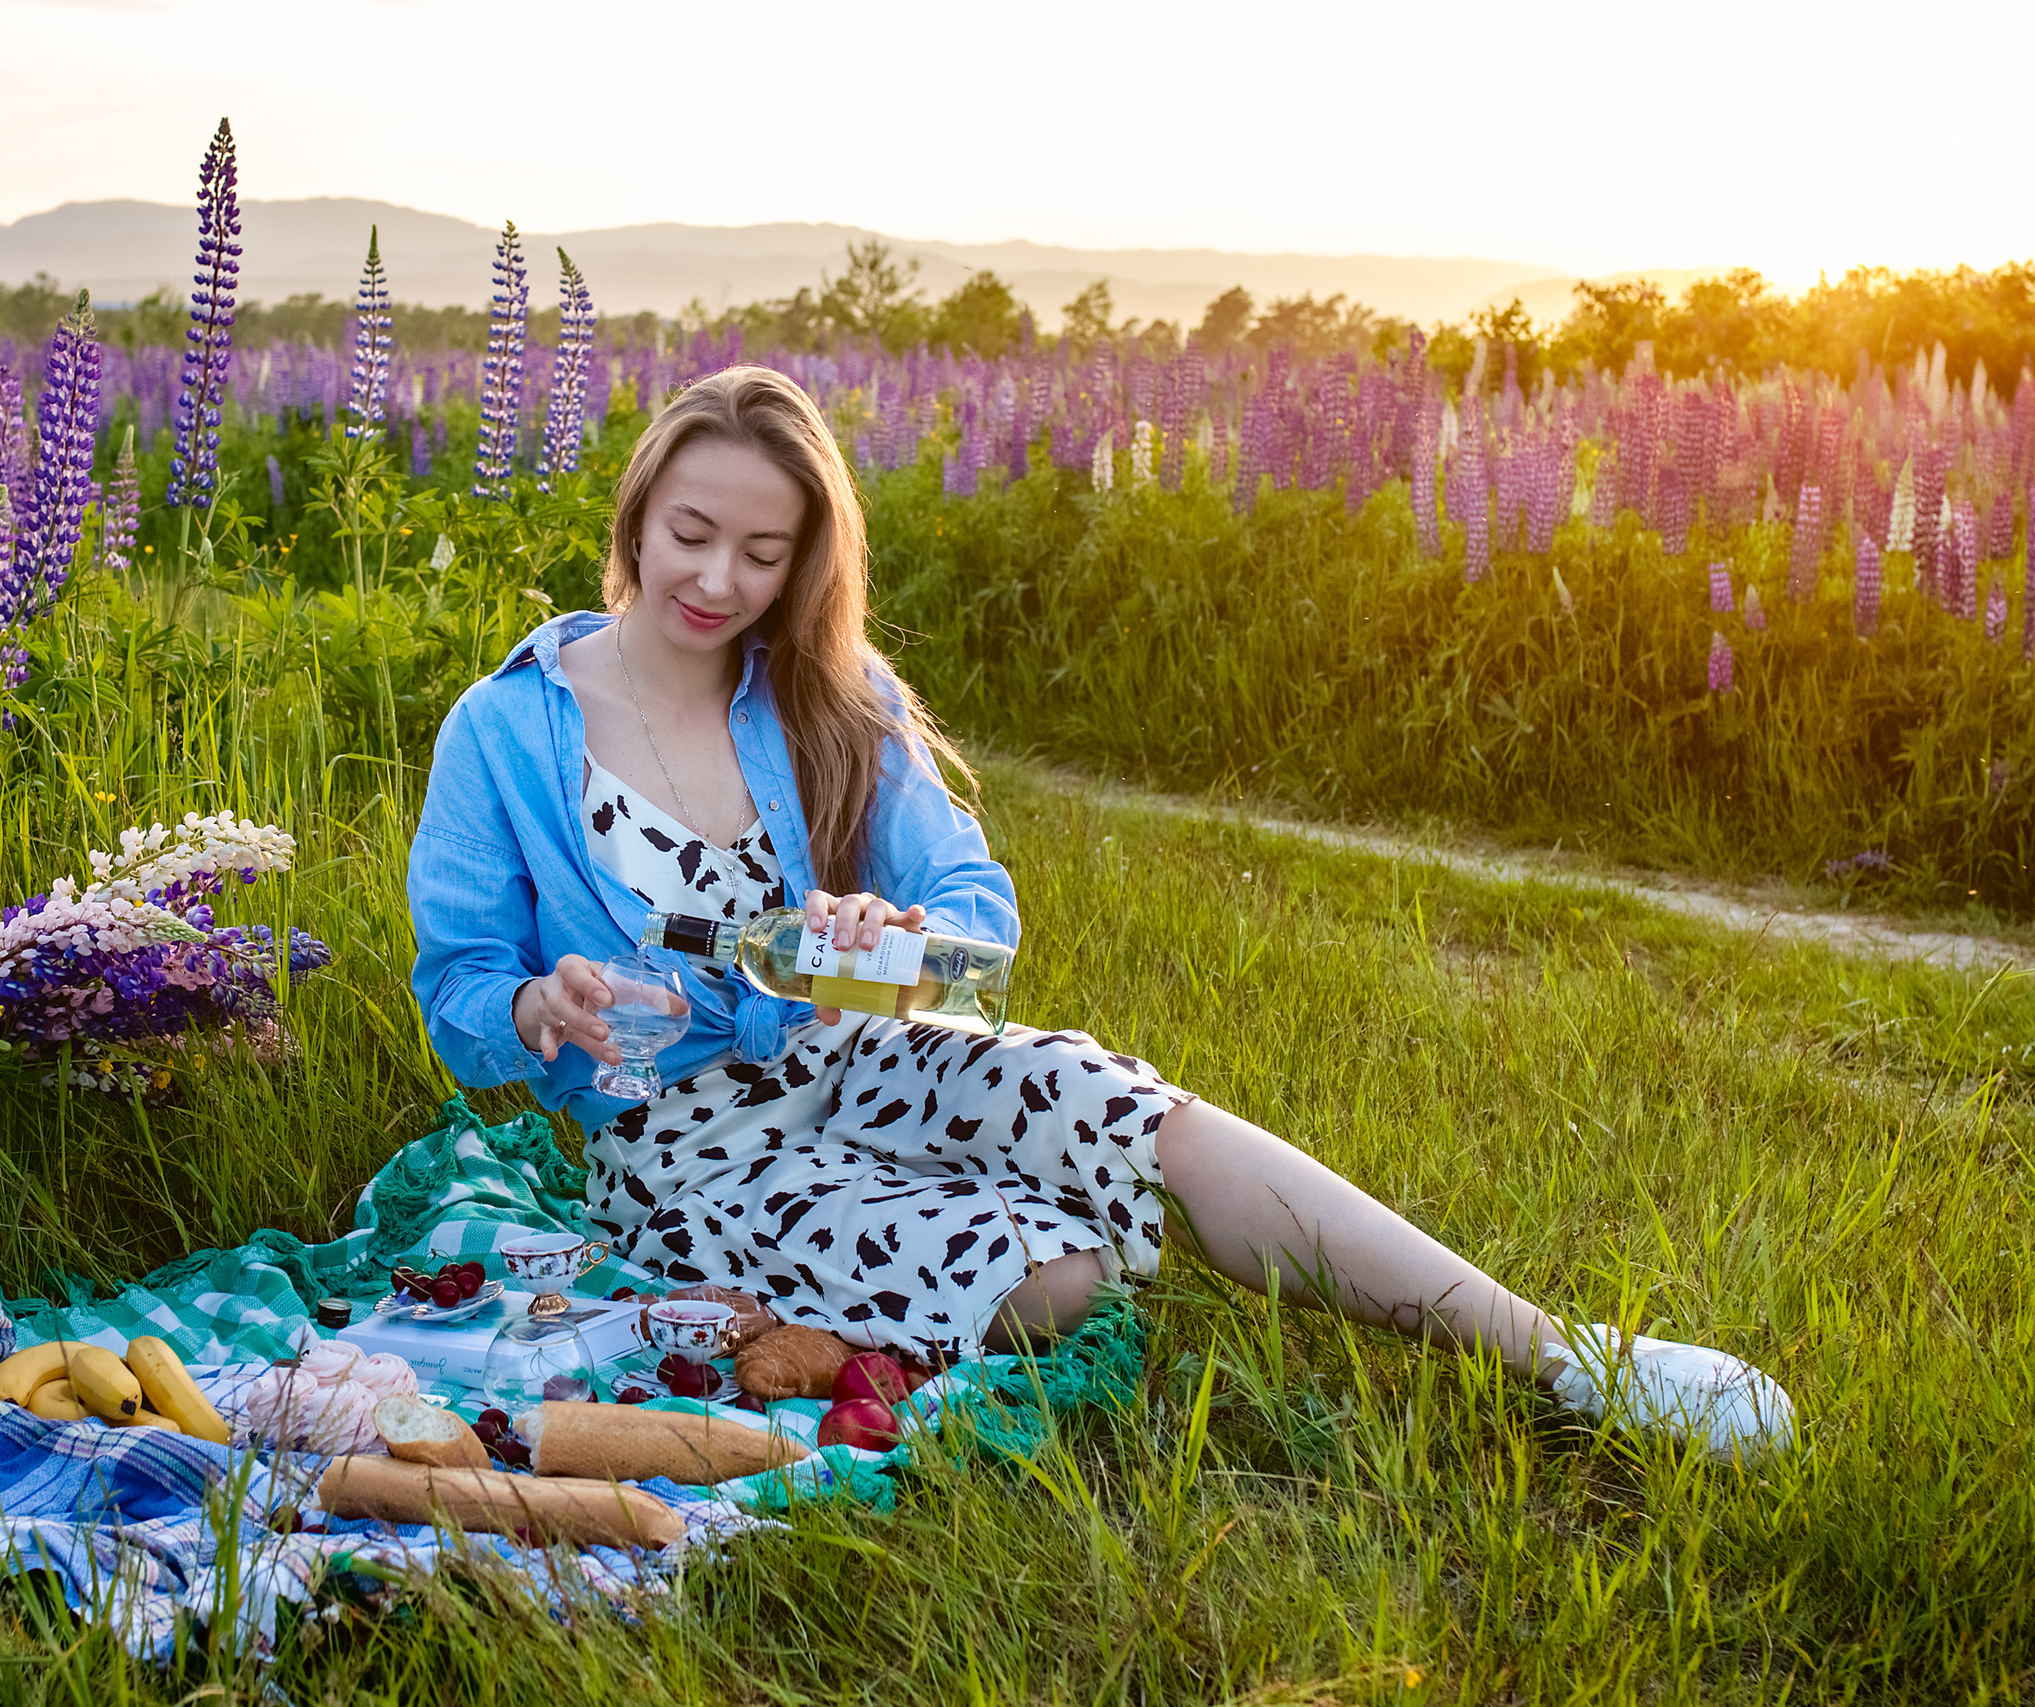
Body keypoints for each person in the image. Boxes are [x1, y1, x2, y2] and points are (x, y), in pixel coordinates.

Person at [408, 367, 1790, 1455]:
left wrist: (899, 945)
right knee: (1061, 1284)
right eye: (692, 535)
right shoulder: (509, 728)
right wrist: (536, 1007)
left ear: (805, 562)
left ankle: (1565, 1355)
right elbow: (459, 993)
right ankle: (989, 1234)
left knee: (1123, 1107)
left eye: (763, 554)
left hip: (873, 1054)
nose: (717, 582)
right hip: (689, 1154)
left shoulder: (828, 695)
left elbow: (975, 921)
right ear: (637, 515)